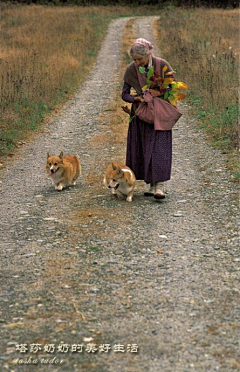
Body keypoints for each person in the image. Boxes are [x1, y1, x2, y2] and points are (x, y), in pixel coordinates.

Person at [121, 38, 174, 199]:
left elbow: (173, 87)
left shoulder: (162, 65)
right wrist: (137, 99)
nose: (137, 62)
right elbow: (124, 94)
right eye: (134, 60)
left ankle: (159, 186)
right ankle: (150, 185)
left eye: (140, 59)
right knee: (143, 148)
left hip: (160, 113)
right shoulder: (131, 69)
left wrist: (160, 93)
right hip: (141, 115)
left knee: (160, 149)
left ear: (148, 54)